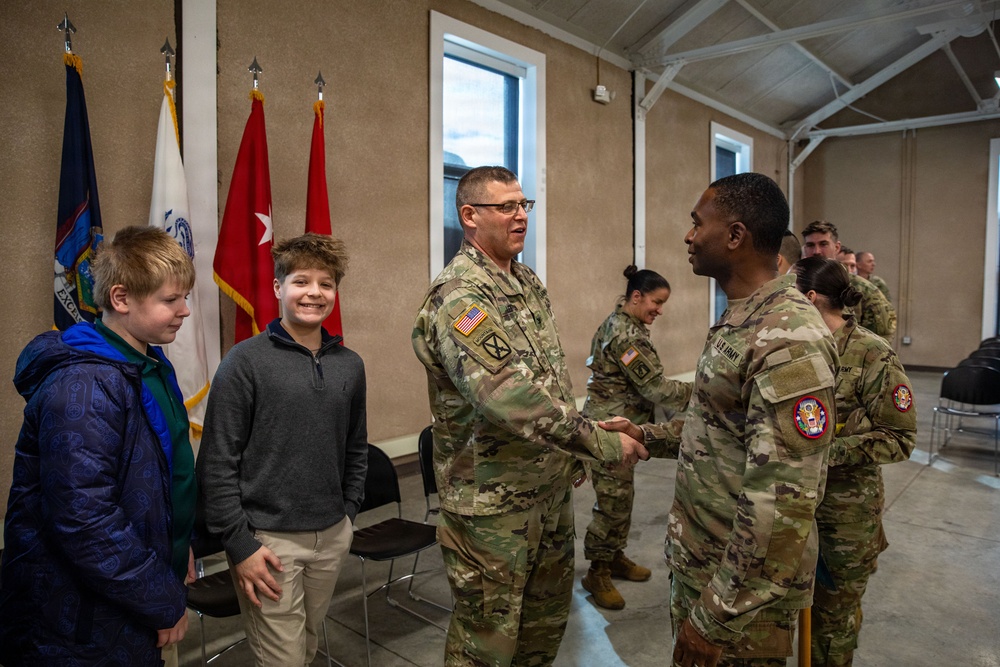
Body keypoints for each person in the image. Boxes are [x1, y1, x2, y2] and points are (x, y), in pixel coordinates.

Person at [411, 165, 648, 666]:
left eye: (524, 205)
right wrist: (597, 444)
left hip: (547, 490)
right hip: (492, 505)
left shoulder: (525, 282)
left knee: (542, 631)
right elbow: (507, 394)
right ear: (470, 216)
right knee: (487, 644)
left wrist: (572, 457)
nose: (521, 216)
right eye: (507, 207)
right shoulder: (460, 298)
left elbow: (551, 379)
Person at [602, 173, 838, 667]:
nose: (689, 236)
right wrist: (646, 434)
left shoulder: (788, 338)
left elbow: (784, 501)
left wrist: (718, 615)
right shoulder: (743, 316)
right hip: (703, 560)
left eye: (696, 224)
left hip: (738, 595)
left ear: (735, 236)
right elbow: (716, 424)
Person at [0, 226, 194, 665]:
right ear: (121, 299)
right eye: (170, 300)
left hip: (124, 598)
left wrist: (175, 542)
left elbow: (159, 475)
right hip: (79, 624)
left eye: (185, 298)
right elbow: (85, 520)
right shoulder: (83, 385)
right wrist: (163, 600)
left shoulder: (146, 362)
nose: (184, 311)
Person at [198, 233, 367, 666]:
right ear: (278, 288)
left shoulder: (349, 364)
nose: (314, 292)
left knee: (307, 643)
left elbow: (355, 448)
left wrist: (348, 514)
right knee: (283, 658)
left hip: (331, 534)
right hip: (268, 543)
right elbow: (217, 461)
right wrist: (239, 543)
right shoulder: (245, 362)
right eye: (301, 281)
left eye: (326, 284)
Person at [792, 256, 916, 667]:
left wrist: (827, 452)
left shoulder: (871, 353)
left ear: (809, 298)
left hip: (845, 515)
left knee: (833, 625)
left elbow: (900, 437)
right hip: (795, 508)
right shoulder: (796, 348)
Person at [580, 266, 692, 610]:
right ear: (636, 296)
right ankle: (597, 570)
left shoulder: (628, 326)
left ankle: (614, 556)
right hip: (609, 431)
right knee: (613, 503)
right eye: (656, 302)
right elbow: (654, 386)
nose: (659, 309)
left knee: (622, 498)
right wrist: (703, 393)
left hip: (620, 426)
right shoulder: (626, 335)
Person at [801, 220, 896, 338]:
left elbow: (882, 337)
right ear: (804, 248)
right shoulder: (795, 287)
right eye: (810, 245)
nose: (816, 251)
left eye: (823, 244)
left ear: (837, 247)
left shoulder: (864, 290)